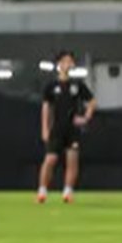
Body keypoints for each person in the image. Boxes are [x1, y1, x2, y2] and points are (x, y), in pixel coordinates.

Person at [38, 51, 96, 204]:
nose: (67, 64)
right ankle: (42, 191)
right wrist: (45, 128)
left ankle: (68, 191)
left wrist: (85, 118)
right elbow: (46, 108)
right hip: (56, 128)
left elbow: (92, 102)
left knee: (72, 160)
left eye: (70, 61)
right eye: (64, 61)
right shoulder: (51, 86)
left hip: (72, 130)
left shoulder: (77, 85)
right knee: (50, 159)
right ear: (58, 65)